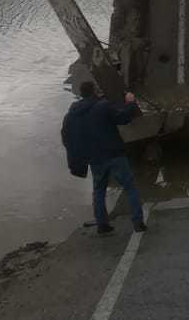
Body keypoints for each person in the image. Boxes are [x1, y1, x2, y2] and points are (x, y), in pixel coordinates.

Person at [61, 81, 145, 235]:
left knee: (99, 190)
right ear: (94, 91)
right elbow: (123, 118)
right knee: (130, 187)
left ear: (81, 94)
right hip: (114, 154)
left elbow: (66, 136)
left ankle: (102, 225)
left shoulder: (73, 113)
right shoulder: (103, 106)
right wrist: (130, 103)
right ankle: (138, 222)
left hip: (94, 159)